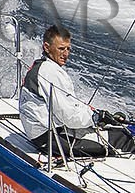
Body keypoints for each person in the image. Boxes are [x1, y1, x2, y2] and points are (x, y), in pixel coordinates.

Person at [18, 25, 112, 158]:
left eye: (68, 49)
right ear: (46, 47)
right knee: (115, 143)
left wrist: (93, 114)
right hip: (50, 138)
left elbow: (68, 107)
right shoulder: (50, 73)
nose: (66, 54)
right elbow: (69, 117)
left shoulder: (42, 65)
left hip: (44, 132)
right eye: (61, 49)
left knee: (111, 133)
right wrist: (96, 118)